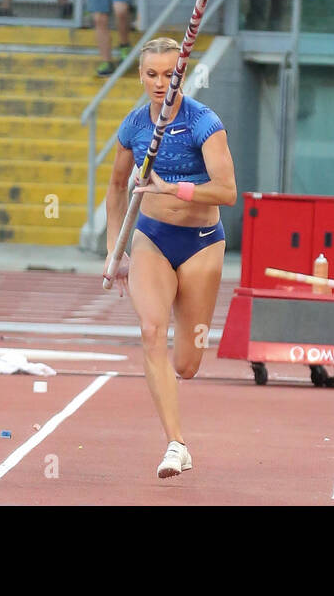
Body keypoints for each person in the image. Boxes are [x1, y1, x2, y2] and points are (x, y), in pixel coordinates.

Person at [106, 35, 237, 479]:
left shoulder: (204, 122)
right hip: (152, 239)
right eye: (151, 74)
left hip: (202, 241)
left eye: (169, 74)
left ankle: (192, 331)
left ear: (181, 74)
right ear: (140, 76)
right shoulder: (134, 126)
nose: (161, 83)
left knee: (187, 364)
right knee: (149, 330)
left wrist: (172, 188)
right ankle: (176, 445)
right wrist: (115, 250)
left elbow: (228, 191)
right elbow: (115, 188)